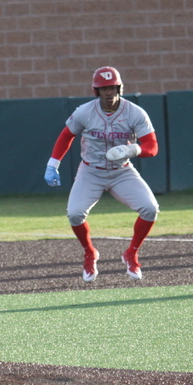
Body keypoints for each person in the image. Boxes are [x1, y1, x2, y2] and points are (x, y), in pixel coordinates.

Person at [44, 66, 159, 282]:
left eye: (112, 88)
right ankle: (89, 252)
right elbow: (66, 135)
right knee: (75, 214)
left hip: (121, 171)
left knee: (150, 209)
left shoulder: (135, 112)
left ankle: (131, 253)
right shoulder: (85, 111)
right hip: (91, 171)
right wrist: (53, 164)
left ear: (119, 88)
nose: (109, 93)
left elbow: (152, 147)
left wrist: (133, 149)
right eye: (104, 88)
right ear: (96, 91)